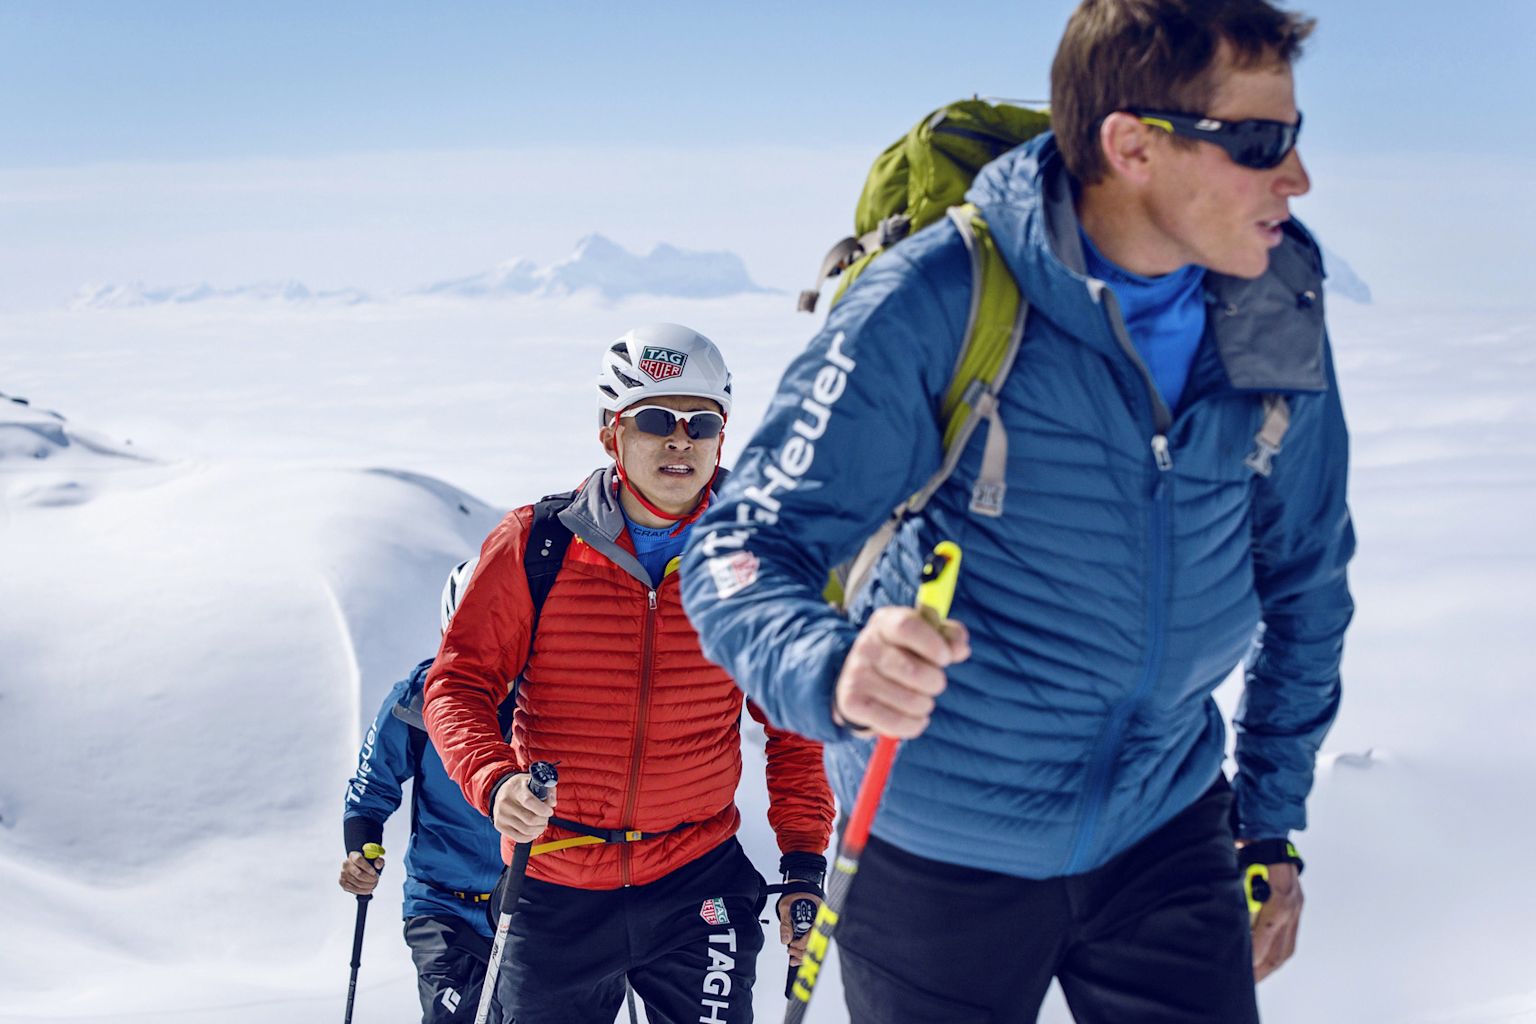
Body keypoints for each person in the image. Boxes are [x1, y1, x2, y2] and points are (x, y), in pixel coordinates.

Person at [680, 1, 1355, 1021]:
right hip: (933, 852)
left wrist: (1268, 825)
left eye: (1293, 137)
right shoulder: (938, 298)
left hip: (1165, 828)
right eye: (1259, 142)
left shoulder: (1271, 303)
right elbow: (738, 551)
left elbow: (1305, 578)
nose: (1295, 176)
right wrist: (834, 665)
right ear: (1130, 144)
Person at [422, 323, 836, 1024]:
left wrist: (801, 864)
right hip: (554, 882)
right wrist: (495, 782)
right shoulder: (536, 545)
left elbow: (796, 724)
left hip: (697, 880)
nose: (680, 439)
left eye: (701, 422)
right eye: (655, 419)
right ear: (612, 433)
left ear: (722, 438)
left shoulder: (758, 555)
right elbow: (458, 684)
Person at [340, 557, 511, 1023]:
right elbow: (370, 789)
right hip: (442, 906)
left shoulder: (550, 704)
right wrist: (361, 852)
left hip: (528, 906)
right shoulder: (415, 701)